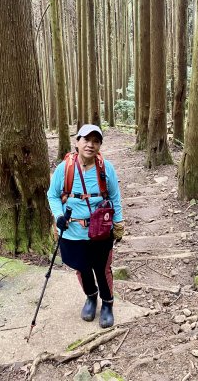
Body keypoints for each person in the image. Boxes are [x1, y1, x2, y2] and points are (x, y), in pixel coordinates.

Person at [47, 124, 125, 328]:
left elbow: (115, 197)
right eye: (86, 140)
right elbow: (53, 195)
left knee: (102, 268)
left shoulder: (105, 168)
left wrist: (118, 222)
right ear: (77, 142)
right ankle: (91, 297)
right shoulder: (64, 168)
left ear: (99, 145)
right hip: (71, 230)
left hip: (100, 230)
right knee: (81, 267)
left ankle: (107, 303)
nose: (90, 145)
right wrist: (58, 215)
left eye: (96, 141)